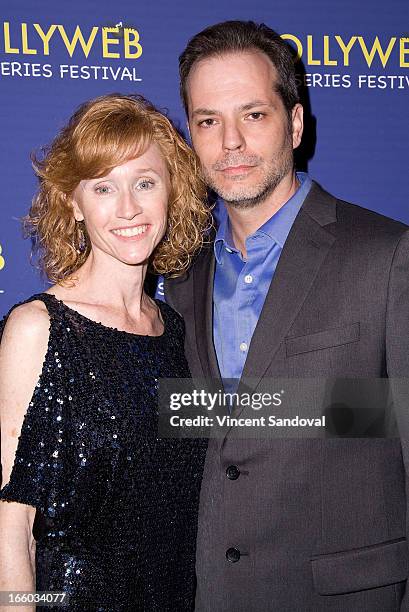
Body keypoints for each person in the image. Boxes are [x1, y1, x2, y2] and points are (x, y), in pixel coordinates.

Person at [164, 20, 409, 612]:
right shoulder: (179, 277)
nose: (230, 144)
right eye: (207, 121)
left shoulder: (387, 255)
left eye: (253, 115)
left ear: (294, 124)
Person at [0, 93, 211, 611]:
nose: (129, 208)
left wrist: (364, 409)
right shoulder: (39, 329)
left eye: (145, 182)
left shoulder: (179, 334)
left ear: (171, 192)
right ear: (73, 202)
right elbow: (12, 525)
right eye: (103, 187)